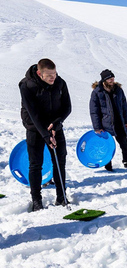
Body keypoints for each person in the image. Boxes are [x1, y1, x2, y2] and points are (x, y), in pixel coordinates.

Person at [19, 58, 72, 211]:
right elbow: (33, 114)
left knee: (60, 160)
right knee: (36, 164)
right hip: (35, 128)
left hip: (55, 127)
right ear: (39, 73)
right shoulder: (26, 85)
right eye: (49, 75)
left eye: (54, 73)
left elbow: (67, 107)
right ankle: (36, 200)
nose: (53, 78)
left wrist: (56, 124)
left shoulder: (60, 83)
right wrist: (46, 135)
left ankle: (61, 197)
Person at [90, 69, 127, 171]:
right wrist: (97, 127)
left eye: (113, 78)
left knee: (124, 145)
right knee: (107, 147)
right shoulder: (97, 92)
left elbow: (124, 106)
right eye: (109, 79)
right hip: (105, 124)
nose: (112, 80)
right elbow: (94, 111)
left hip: (119, 122)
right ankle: (108, 166)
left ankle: (126, 162)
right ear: (104, 80)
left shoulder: (118, 90)